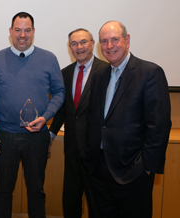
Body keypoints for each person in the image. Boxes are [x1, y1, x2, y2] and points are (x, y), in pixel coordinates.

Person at [81, 21, 171, 218]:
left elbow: (159, 125)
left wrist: (147, 167)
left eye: (115, 40)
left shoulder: (149, 73)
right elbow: (93, 119)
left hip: (133, 172)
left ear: (127, 40)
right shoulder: (98, 75)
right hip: (97, 169)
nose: (109, 46)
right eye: (104, 41)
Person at [0, 12, 65, 217]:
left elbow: (59, 93)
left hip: (37, 137)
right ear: (11, 32)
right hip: (5, 136)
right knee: (3, 190)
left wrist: (46, 116)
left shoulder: (49, 58)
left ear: (33, 32)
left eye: (27, 30)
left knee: (36, 191)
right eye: (18, 30)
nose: (23, 34)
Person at [49, 28, 107, 218]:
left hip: (97, 150)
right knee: (71, 199)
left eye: (83, 42)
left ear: (92, 44)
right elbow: (63, 110)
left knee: (96, 201)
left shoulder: (107, 71)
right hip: (72, 148)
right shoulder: (65, 73)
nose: (79, 47)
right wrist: (50, 134)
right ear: (69, 48)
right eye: (74, 44)